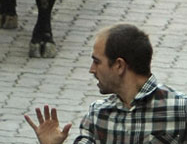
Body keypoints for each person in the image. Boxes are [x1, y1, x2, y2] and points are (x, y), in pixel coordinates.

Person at [24, 23, 187, 143]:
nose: (91, 69)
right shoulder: (98, 115)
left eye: (97, 62)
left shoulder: (180, 108)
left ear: (119, 65)